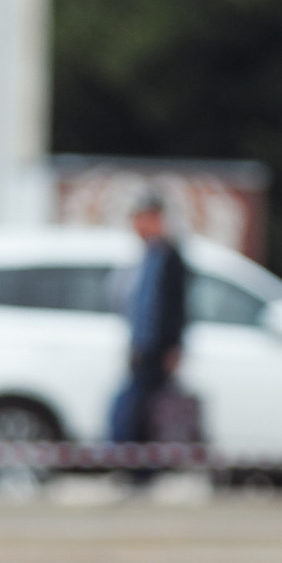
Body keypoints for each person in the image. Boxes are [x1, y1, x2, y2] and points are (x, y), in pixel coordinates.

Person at [114, 191, 190, 452]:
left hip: (159, 346)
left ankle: (146, 468)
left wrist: (174, 346)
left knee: (152, 409)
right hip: (143, 346)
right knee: (135, 408)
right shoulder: (144, 257)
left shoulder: (170, 258)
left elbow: (176, 306)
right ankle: (134, 464)